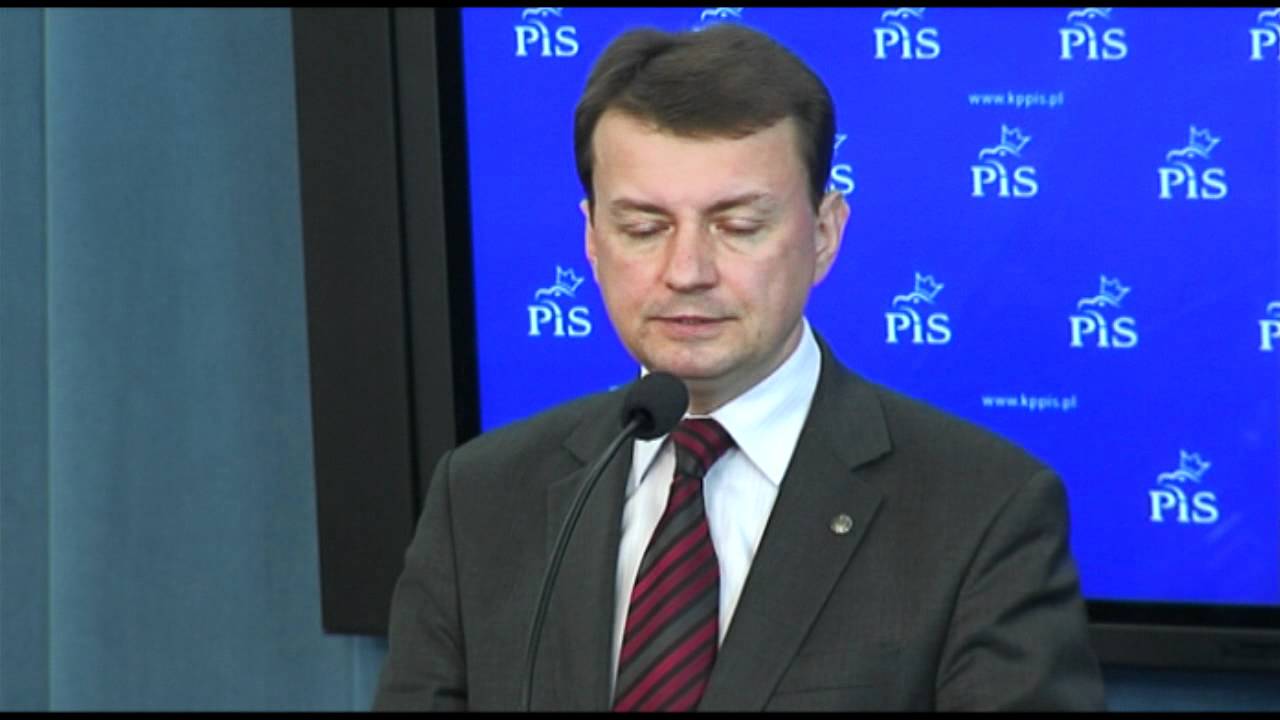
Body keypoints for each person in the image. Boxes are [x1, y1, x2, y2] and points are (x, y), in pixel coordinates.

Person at [373, 22, 1105, 711]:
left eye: (738, 226)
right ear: (592, 239)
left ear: (824, 234)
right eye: (644, 228)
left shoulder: (981, 511)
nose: (687, 271)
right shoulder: (482, 498)